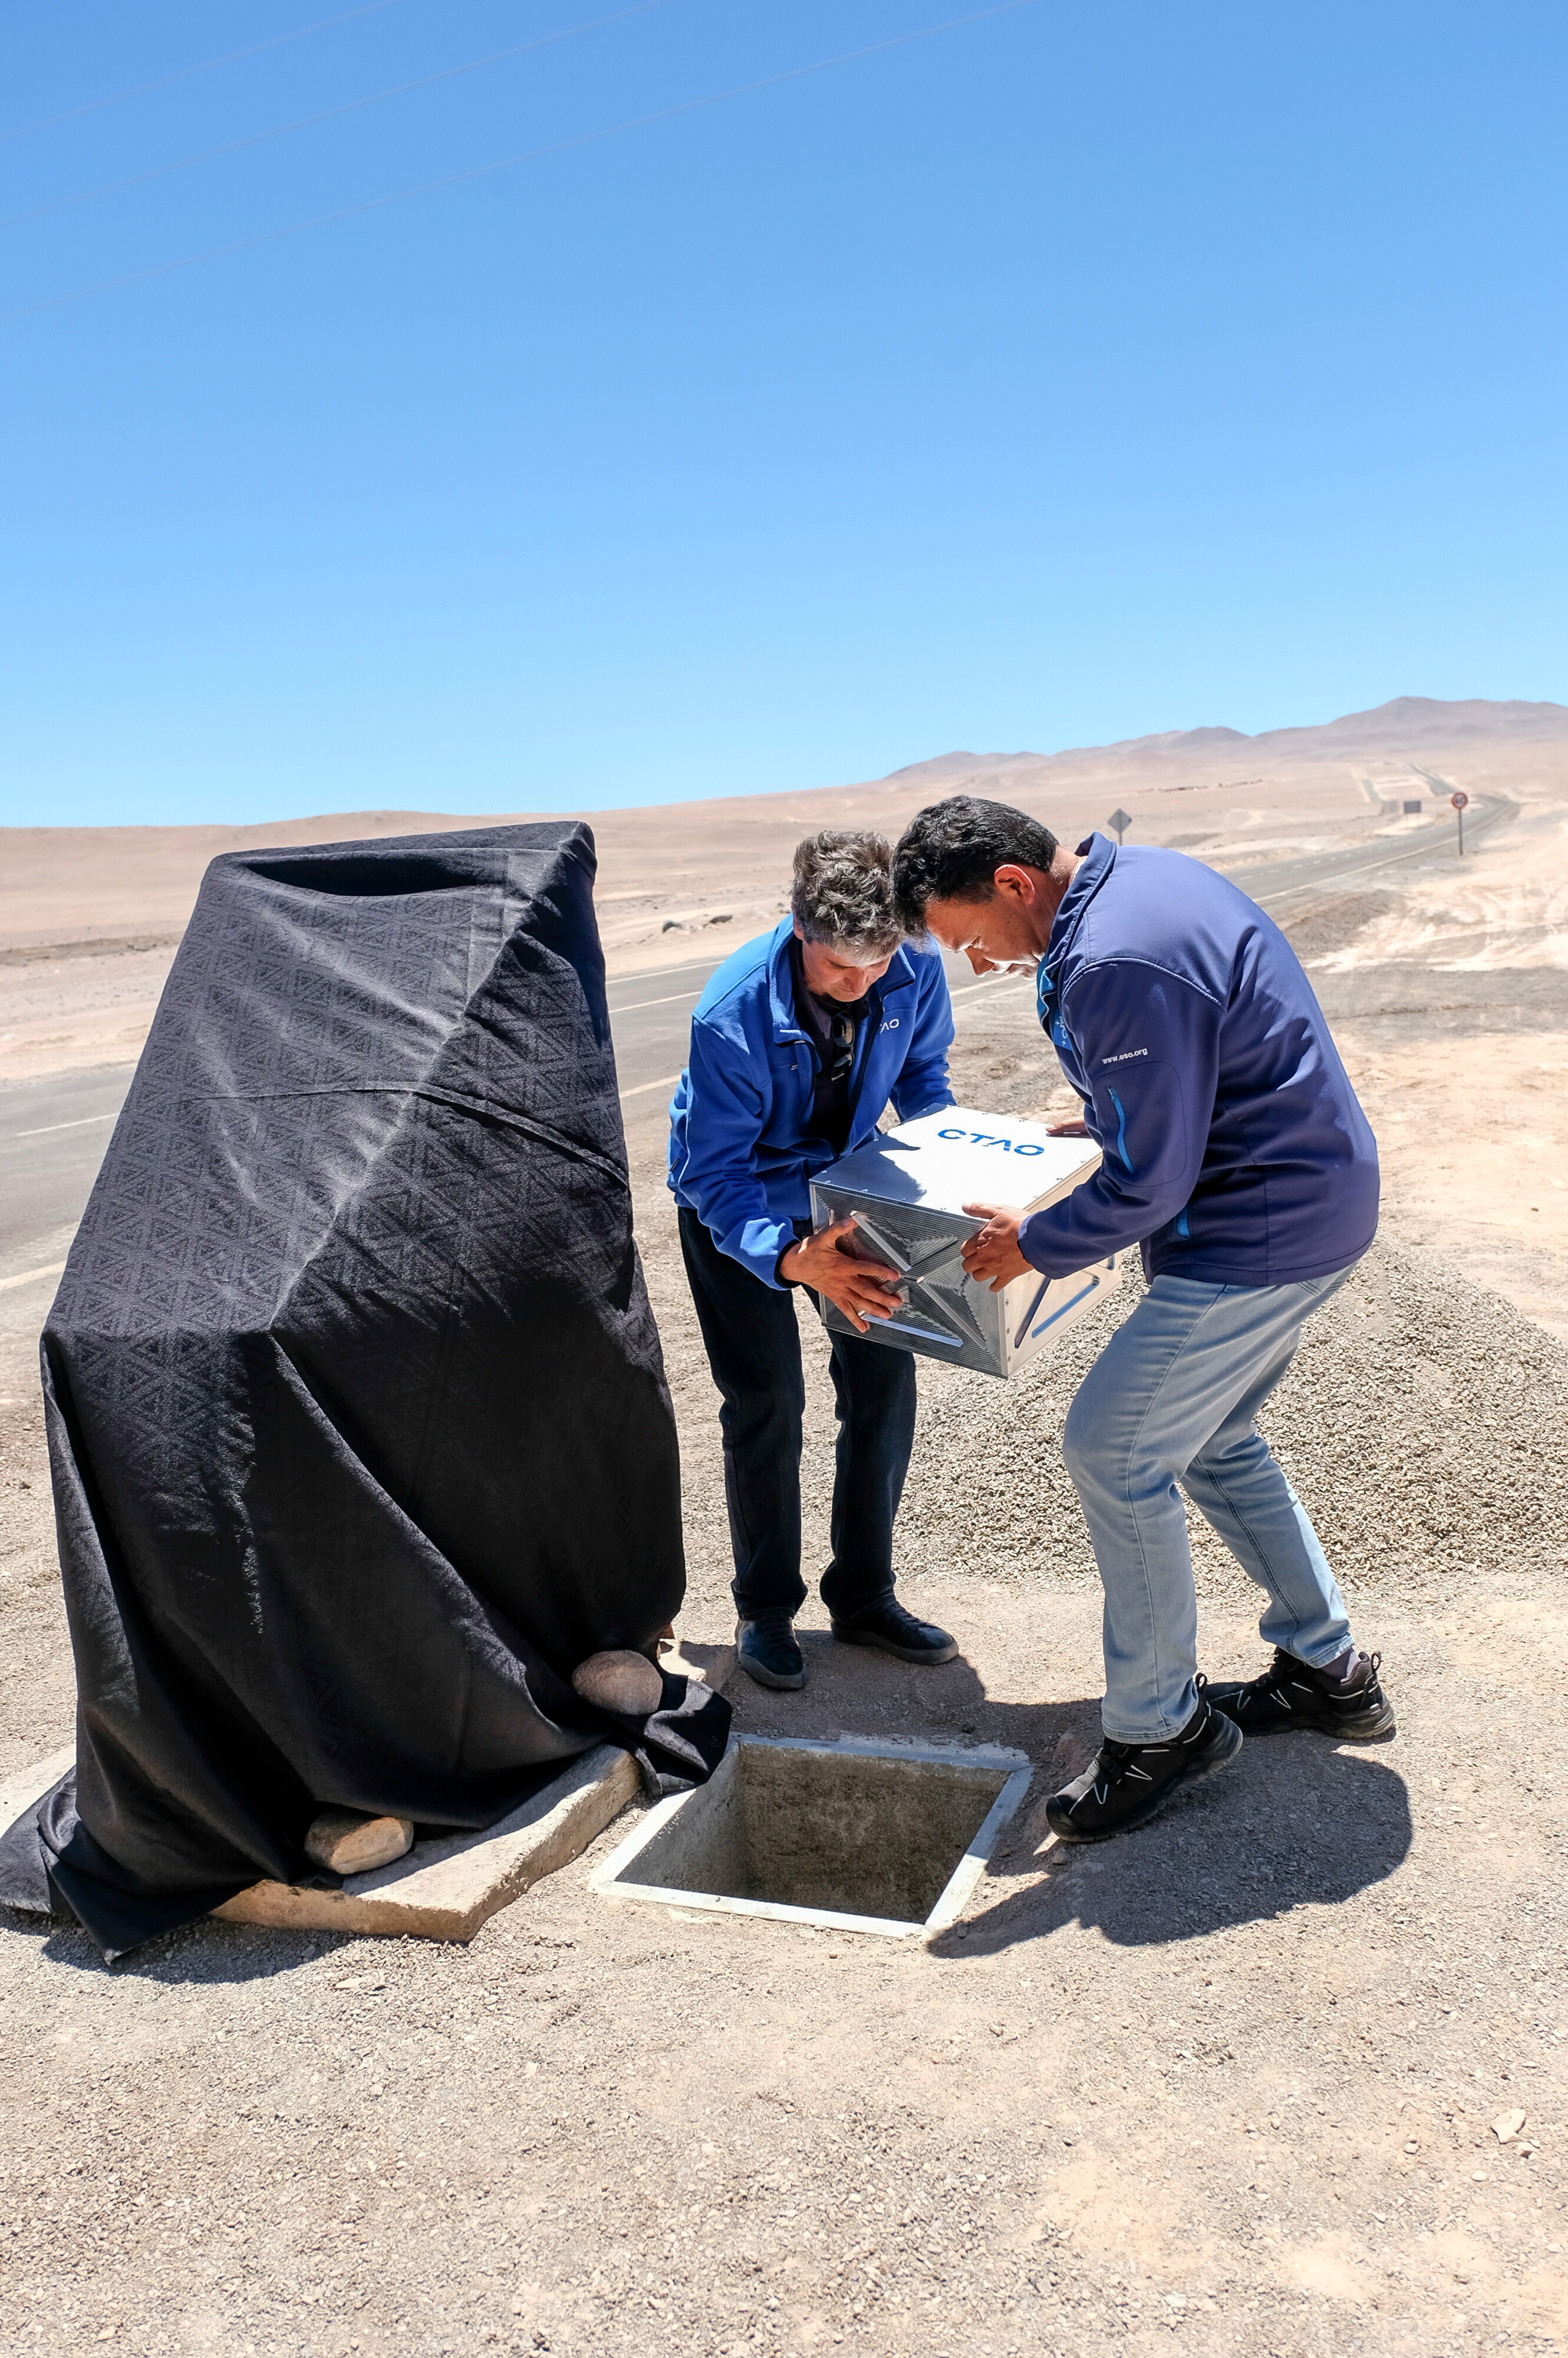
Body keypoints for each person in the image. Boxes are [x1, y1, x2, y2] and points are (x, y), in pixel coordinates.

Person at [891, 797, 1394, 1840]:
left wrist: (1034, 1242)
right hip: (1310, 1201)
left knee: (1114, 1452)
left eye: (966, 937)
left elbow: (1152, 1184)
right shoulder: (1140, 884)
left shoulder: (1112, 957)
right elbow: (1201, 1062)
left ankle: (1161, 1730)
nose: (975, 963)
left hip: (1257, 1231)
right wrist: (1107, 1116)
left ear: (1014, 884)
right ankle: (1328, 1669)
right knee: (1213, 1437)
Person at [668, 830, 960, 1691]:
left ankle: (864, 1597)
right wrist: (793, 1260)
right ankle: (765, 1611)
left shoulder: (912, 959)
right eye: (840, 968)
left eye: (879, 965)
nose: (862, 983)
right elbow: (716, 1174)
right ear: (800, 930)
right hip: (739, 1207)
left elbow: (925, 1072)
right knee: (768, 1403)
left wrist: (952, 1161)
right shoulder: (732, 1015)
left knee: (883, 1389)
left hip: (851, 1189)